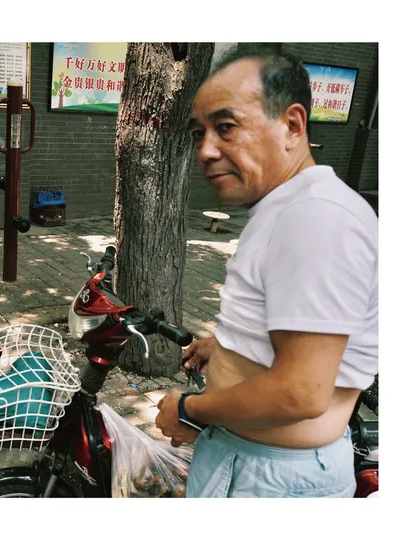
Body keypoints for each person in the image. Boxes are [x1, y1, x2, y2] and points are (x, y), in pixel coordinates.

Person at [154, 46, 378, 498]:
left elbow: (301, 392)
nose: (206, 151)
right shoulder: (289, 208)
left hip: (273, 479)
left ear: (292, 125)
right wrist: (233, 345)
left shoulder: (316, 217)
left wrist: (190, 409)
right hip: (260, 465)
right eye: (199, 133)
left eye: (226, 127)